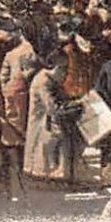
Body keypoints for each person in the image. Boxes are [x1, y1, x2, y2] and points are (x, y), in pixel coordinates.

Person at [24, 46, 82, 184]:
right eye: (62, 69)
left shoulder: (51, 80)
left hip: (50, 122)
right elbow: (53, 108)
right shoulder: (43, 82)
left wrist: (74, 101)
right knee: (60, 139)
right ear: (53, 67)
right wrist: (76, 105)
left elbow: (61, 100)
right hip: (44, 124)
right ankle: (52, 175)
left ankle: (61, 174)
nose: (65, 73)